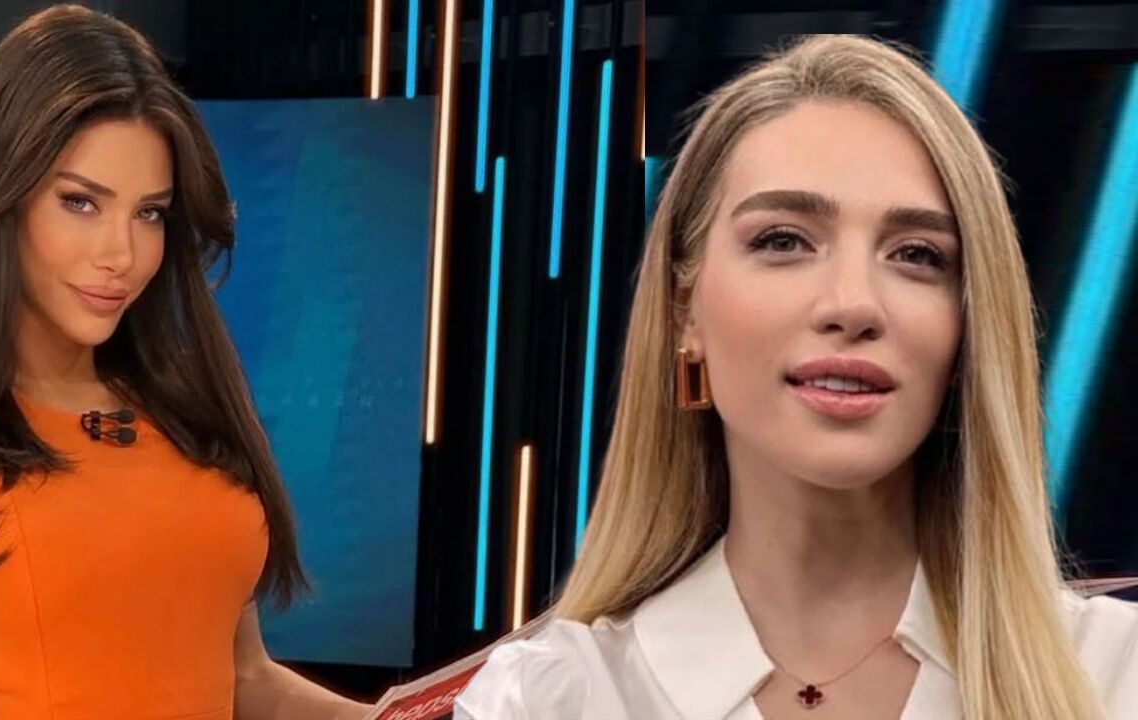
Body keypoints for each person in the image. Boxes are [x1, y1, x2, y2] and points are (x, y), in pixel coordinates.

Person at [456, 34, 1138, 720]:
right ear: (684, 310)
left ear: (969, 326)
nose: (853, 305)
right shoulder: (547, 700)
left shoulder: (1118, 673)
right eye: (782, 241)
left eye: (915, 254)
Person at [0, 5, 370, 719]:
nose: (121, 255)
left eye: (149, 212)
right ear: (1, 195)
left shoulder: (189, 406)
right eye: (80, 202)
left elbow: (248, 681)